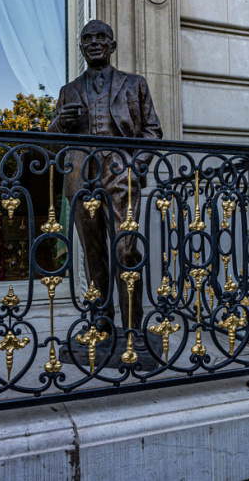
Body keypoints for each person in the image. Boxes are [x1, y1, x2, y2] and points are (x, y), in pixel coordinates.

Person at [48, 19, 163, 332]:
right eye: (88, 39)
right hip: (81, 175)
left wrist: (136, 166)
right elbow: (52, 144)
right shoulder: (68, 90)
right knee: (93, 252)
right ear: (81, 48)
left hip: (120, 173)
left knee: (126, 250)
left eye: (101, 37)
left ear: (112, 45)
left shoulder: (134, 84)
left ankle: (132, 326)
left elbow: (152, 130)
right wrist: (60, 124)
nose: (95, 43)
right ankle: (101, 322)